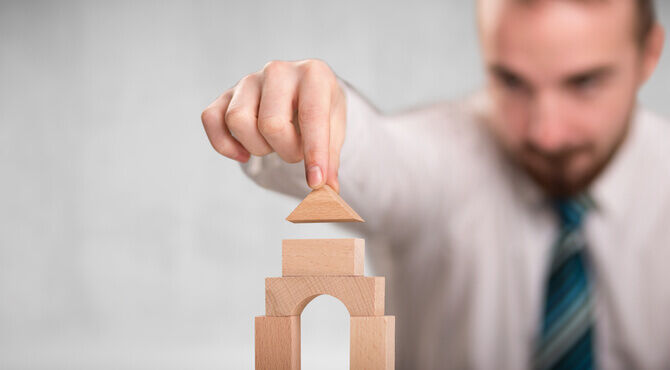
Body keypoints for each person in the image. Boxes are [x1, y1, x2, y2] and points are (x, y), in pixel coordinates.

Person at [201, 0, 669, 368]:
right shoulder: (443, 157)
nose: (545, 132)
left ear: (649, 54)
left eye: (584, 83)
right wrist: (306, 116)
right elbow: (375, 158)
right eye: (510, 81)